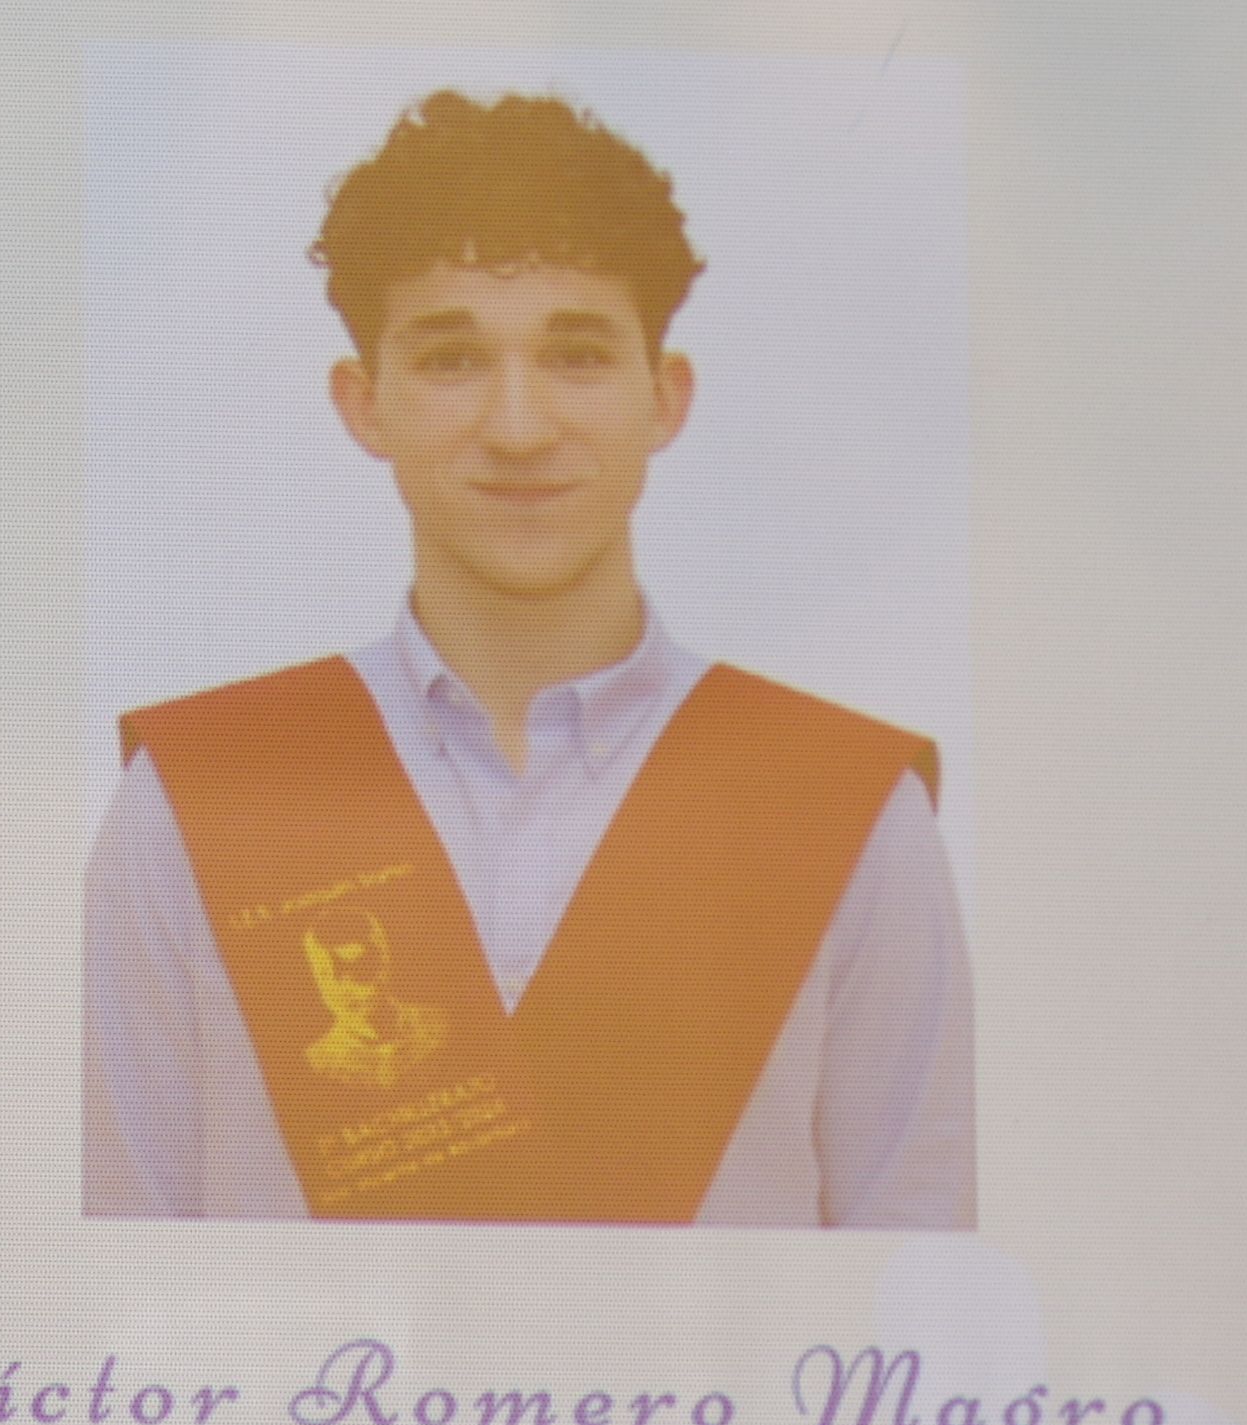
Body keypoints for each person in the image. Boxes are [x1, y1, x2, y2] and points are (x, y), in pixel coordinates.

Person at [83, 89, 973, 1225]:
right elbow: (116, 1281)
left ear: (666, 397)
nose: (518, 427)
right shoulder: (202, 800)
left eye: (579, 355)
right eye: (453, 360)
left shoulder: (848, 814)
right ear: (365, 405)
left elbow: (920, 1297)